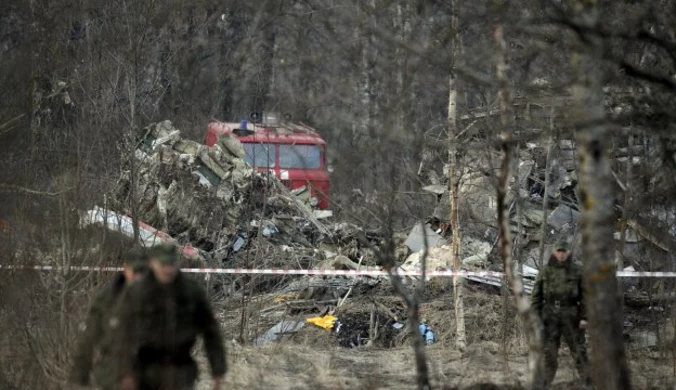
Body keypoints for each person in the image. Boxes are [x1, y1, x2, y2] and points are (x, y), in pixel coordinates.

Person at [113, 243, 226, 390]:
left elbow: (211, 333)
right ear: (153, 264)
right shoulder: (137, 291)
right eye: (163, 264)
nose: (167, 269)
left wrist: (218, 370)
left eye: (171, 263)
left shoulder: (191, 291)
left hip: (180, 370)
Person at [69, 247, 149, 389]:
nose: (138, 276)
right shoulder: (108, 297)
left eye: (142, 272)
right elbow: (88, 333)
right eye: (135, 271)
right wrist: (81, 371)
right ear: (125, 269)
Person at [531, 240, 590, 388]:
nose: (561, 254)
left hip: (571, 316)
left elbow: (586, 296)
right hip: (549, 316)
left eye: (564, 251)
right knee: (548, 354)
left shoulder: (577, 271)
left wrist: (584, 317)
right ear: (554, 252)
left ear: (569, 252)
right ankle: (544, 384)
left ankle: (589, 383)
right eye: (559, 251)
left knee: (579, 352)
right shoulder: (545, 271)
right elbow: (536, 296)